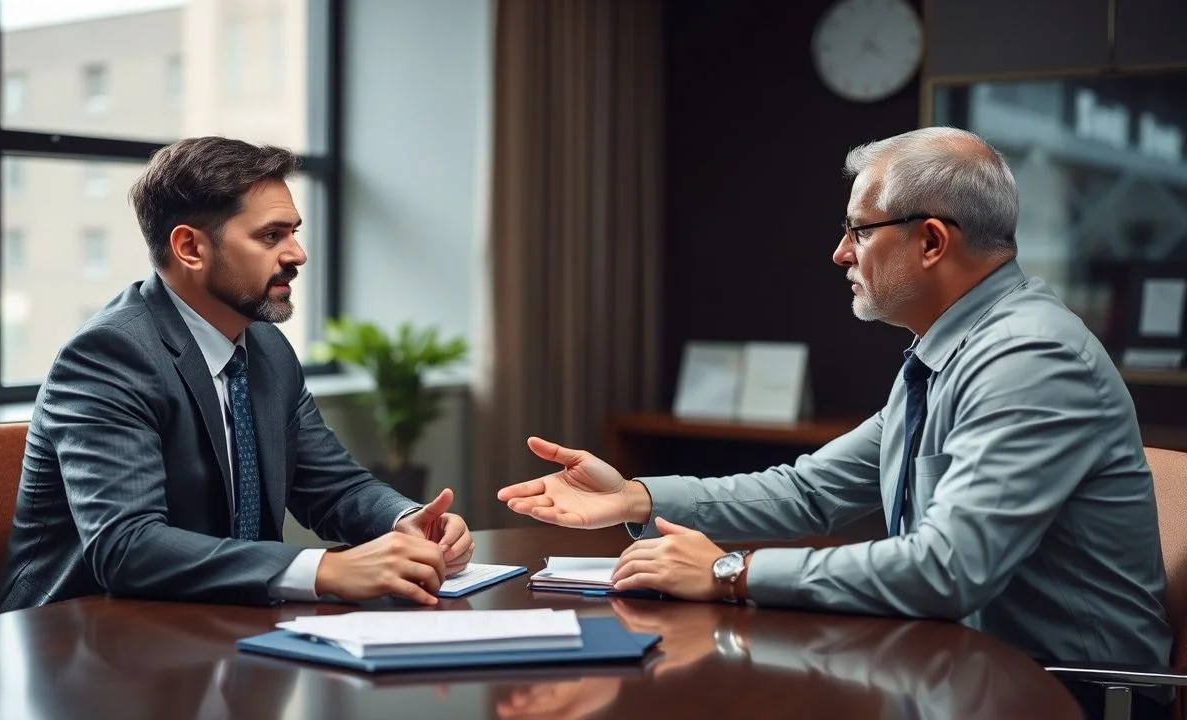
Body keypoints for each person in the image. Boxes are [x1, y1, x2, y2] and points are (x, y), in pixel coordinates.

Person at [498, 127, 1173, 718]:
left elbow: (946, 569)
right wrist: (636, 496)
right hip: (963, 670)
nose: (841, 254)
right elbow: (809, 489)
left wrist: (730, 572)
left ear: (932, 241)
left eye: (858, 230)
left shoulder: (1030, 356)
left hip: (1071, 694)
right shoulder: (950, 351)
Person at [0, 136, 472, 613]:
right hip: (80, 640)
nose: (297, 254)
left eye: (294, 233)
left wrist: (405, 520)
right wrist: (323, 570)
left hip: (218, 624)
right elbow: (127, 547)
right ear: (190, 248)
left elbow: (334, 487)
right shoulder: (110, 355)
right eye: (271, 236)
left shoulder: (265, 347)